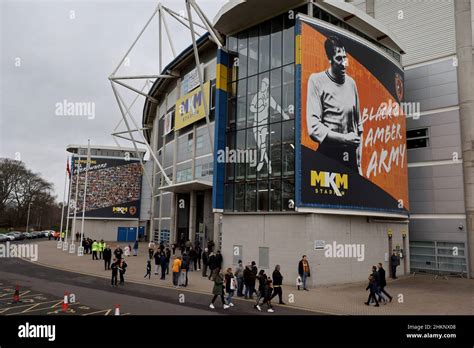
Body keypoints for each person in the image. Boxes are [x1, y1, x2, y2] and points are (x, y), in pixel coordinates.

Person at [306, 36, 363, 174]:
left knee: (354, 195)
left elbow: (359, 126)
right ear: (330, 58)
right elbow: (313, 128)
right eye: (339, 58)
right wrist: (344, 138)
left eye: (345, 58)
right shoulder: (316, 80)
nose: (344, 63)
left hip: (350, 158)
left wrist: (359, 164)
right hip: (328, 154)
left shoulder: (351, 83)